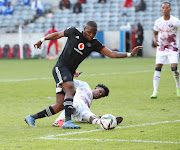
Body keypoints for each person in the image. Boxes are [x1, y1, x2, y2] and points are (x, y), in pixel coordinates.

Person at [24, 21, 142, 129]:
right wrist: (42, 39)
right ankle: (68, 121)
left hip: (69, 72)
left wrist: (130, 54)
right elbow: (58, 35)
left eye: (94, 33)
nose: (91, 35)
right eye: (89, 32)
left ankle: (31, 117)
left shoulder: (94, 44)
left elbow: (111, 53)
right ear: (84, 29)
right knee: (71, 89)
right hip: (60, 68)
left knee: (59, 105)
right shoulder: (73, 32)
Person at [53, 79, 123, 127]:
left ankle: (109, 122)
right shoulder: (85, 86)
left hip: (84, 110)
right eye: (100, 91)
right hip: (77, 103)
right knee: (73, 106)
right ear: (95, 88)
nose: (99, 95)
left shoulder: (89, 101)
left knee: (92, 118)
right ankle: (58, 120)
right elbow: (71, 81)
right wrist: (69, 76)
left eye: (101, 95)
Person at [150, 2, 180, 99]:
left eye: (167, 8)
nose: (165, 9)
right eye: (163, 8)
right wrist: (155, 40)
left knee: (174, 69)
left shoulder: (176, 21)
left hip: (173, 47)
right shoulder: (158, 22)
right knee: (158, 68)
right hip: (161, 48)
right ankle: (155, 92)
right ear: (161, 9)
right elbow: (154, 33)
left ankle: (178, 88)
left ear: (170, 9)